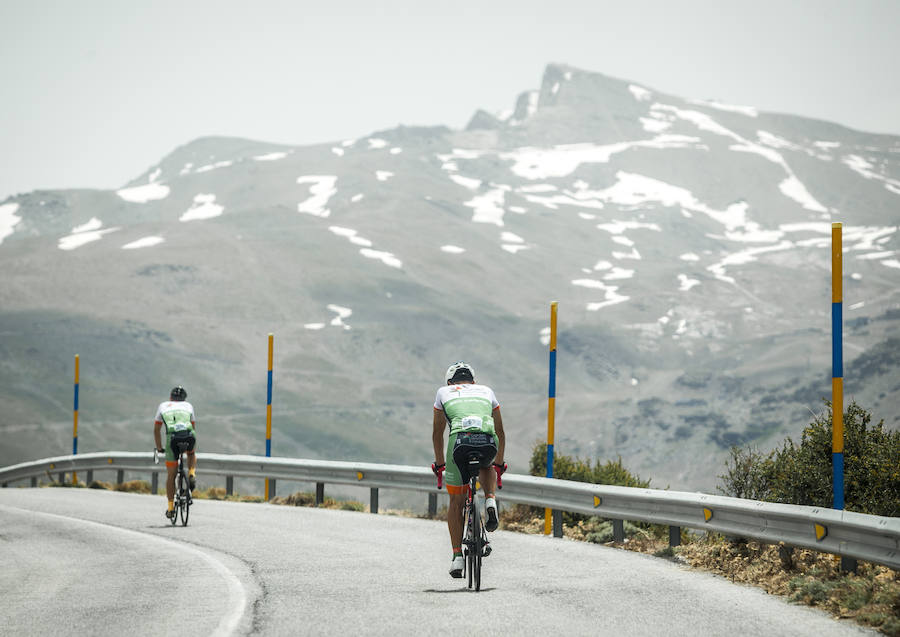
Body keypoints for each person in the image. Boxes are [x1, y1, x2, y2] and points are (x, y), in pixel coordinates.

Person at [432, 361, 506, 578]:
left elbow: (437, 434)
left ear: (449, 382)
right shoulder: (486, 391)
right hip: (488, 441)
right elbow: (500, 431)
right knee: (487, 463)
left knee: (456, 502)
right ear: (473, 381)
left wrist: (439, 464)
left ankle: (457, 558)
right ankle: (490, 499)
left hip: (459, 443)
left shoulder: (443, 392)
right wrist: (499, 464)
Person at [153, 385, 197, 520]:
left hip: (172, 439)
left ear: (170, 397)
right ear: (184, 398)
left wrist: (159, 448)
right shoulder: (189, 406)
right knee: (191, 452)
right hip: (188, 436)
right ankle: (191, 473)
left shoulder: (163, 406)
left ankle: (171, 508)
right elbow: (193, 426)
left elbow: (156, 430)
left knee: (171, 476)